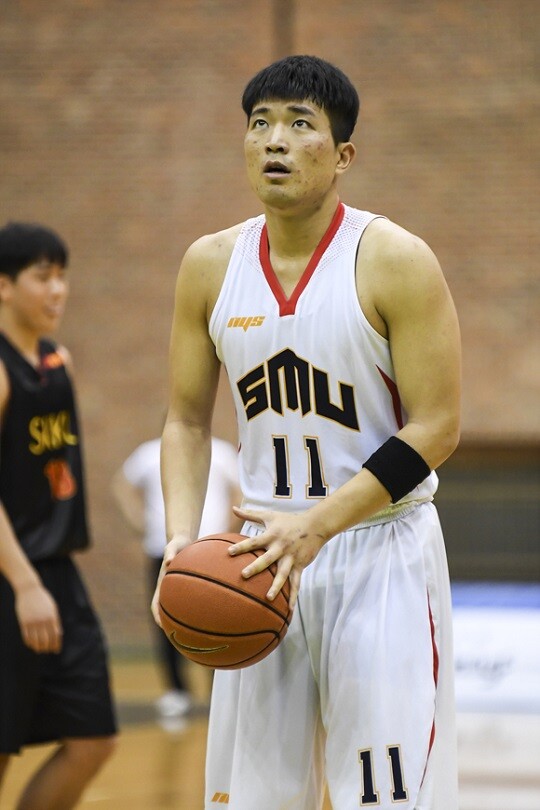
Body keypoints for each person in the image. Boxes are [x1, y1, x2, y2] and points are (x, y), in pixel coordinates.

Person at [152, 55, 462, 810]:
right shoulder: (209, 265)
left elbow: (438, 426)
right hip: (257, 561)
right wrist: (179, 542)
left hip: (379, 553)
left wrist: (318, 525)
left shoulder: (395, 259)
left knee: (384, 798)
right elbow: (186, 420)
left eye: (299, 124)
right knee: (252, 800)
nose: (275, 141)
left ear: (343, 154)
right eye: (260, 123)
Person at [0, 222, 117, 810]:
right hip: (11, 576)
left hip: (58, 573)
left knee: (93, 739)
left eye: (62, 276)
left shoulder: (56, 360)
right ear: (3, 286)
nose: (58, 290)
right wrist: (23, 585)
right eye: (42, 277)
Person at [112, 430, 241, 720]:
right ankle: (176, 691)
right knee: (165, 618)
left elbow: (239, 491)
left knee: (219, 621)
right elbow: (122, 486)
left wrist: (226, 531)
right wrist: (138, 521)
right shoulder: (148, 452)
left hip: (212, 551)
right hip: (164, 548)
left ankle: (217, 689)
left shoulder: (221, 452)